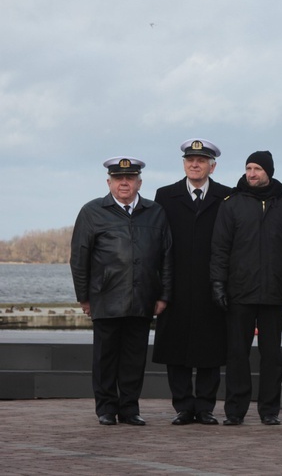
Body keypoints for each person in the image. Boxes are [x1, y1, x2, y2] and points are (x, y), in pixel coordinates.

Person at [70, 157, 173, 426]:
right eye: (118, 178)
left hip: (142, 297)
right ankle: (105, 408)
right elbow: (79, 258)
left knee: (134, 358)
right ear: (109, 182)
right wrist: (84, 296)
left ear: (139, 182)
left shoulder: (155, 212)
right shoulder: (92, 212)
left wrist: (163, 295)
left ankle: (129, 409)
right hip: (106, 297)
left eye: (129, 178)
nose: (124, 183)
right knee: (105, 357)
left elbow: (167, 257)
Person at [210, 150, 282, 426]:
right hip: (239, 292)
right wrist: (217, 283)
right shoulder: (231, 205)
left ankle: (269, 410)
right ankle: (235, 411)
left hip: (274, 293)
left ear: (268, 172)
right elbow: (219, 249)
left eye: (257, 169)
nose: (251, 173)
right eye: (248, 168)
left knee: (272, 355)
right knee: (237, 353)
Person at [152, 139, 232, 426]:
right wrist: (160, 288)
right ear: (184, 163)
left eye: (201, 160)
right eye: (190, 160)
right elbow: (157, 243)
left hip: (213, 285)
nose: (194, 164)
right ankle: (184, 406)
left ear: (213, 165)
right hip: (177, 284)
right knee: (177, 349)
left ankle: (206, 407)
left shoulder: (227, 196)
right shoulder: (166, 195)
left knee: (211, 350)